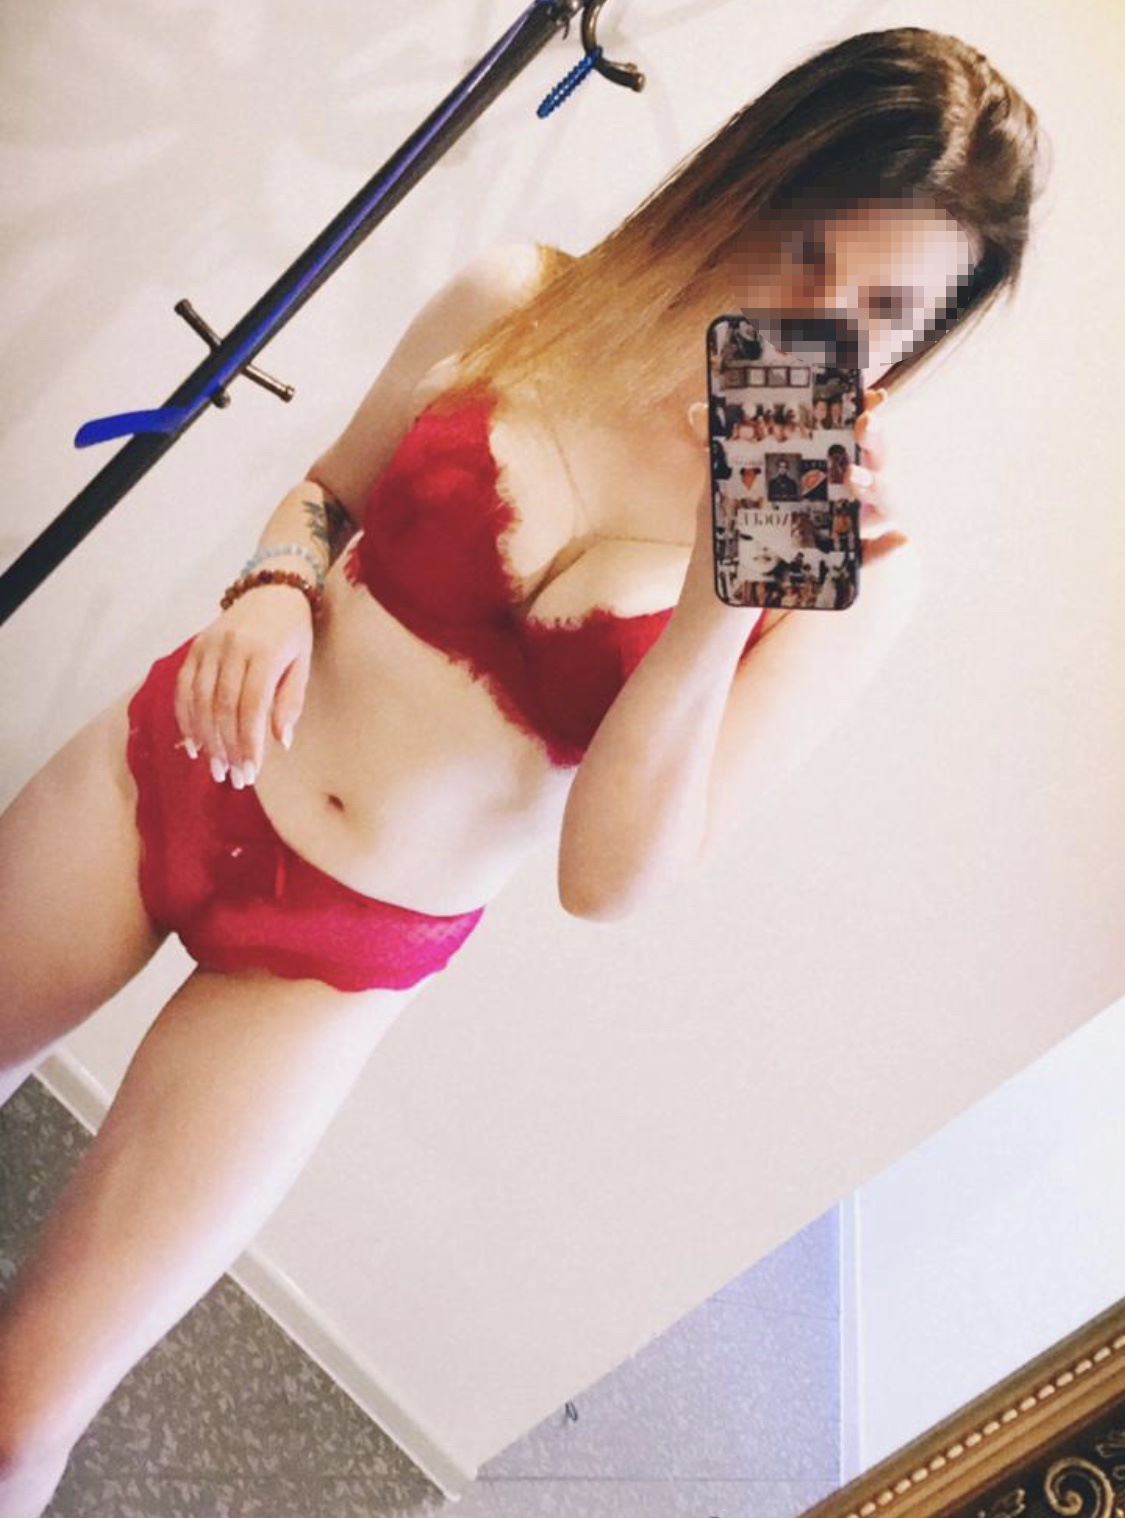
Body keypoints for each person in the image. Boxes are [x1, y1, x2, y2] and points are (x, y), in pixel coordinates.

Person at [0, 23, 1044, 1511]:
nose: (813, 315)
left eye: (878, 309)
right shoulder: (528, 300)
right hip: (171, 765)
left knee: (25, 1413)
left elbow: (606, 879)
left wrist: (723, 595)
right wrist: (274, 588)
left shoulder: (855, 580)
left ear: (923, 333)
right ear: (749, 180)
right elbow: (324, 494)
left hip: (333, 956)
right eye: (802, 248)